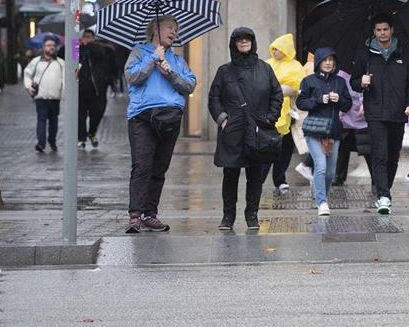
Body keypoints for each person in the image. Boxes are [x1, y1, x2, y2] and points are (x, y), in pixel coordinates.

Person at [124, 15, 197, 234]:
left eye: (176, 28)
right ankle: (135, 215)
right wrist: (152, 59)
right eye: (169, 27)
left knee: (159, 168)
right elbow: (132, 77)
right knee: (142, 166)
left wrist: (171, 74)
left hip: (170, 118)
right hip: (143, 117)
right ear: (155, 29)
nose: (174, 32)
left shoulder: (177, 60)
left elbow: (190, 85)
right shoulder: (139, 52)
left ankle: (150, 215)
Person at [208, 28, 283, 231]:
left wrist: (270, 117)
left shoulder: (265, 69)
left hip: (257, 130)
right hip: (232, 132)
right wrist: (223, 119)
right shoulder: (224, 71)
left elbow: (277, 94)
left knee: (255, 175)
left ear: (253, 42)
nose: (243, 42)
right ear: (233, 44)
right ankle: (228, 217)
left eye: (247, 38)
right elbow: (214, 98)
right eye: (239, 39)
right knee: (230, 175)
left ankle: (252, 215)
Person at [351, 14, 409, 215]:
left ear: (392, 30)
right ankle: (383, 196)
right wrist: (361, 82)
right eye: (378, 30)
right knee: (380, 155)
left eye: (385, 29)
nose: (382, 33)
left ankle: (385, 190)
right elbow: (354, 81)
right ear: (373, 31)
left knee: (393, 156)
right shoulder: (365, 54)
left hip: (399, 112)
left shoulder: (406, 54)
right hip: (374, 112)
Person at [296, 47, 351, 216]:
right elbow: (301, 103)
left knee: (330, 172)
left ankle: (323, 198)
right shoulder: (309, 81)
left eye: (331, 60)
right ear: (318, 62)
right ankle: (321, 203)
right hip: (314, 130)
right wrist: (318, 99)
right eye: (325, 60)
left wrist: (339, 99)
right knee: (320, 166)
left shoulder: (340, 82)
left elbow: (348, 105)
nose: (328, 63)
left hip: (333, 131)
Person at [264, 33, 306, 196]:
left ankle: (280, 179)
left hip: (289, 116)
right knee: (267, 148)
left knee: (285, 150)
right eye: (273, 48)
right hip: (269, 114)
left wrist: (275, 89)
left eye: (278, 48)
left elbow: (296, 87)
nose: (275, 51)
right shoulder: (267, 65)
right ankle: (259, 178)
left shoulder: (295, 66)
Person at [23, 36, 65, 153]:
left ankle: (52, 141)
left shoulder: (61, 63)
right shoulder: (36, 62)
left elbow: (65, 78)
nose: (51, 47)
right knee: (41, 119)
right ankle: (41, 143)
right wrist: (28, 87)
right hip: (40, 97)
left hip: (55, 97)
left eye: (53, 45)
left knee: (53, 121)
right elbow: (27, 74)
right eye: (48, 45)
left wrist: (64, 91)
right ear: (43, 47)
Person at [78, 30, 116, 150]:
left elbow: (106, 58)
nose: (86, 39)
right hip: (80, 88)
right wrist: (79, 46)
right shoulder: (77, 47)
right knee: (80, 115)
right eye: (85, 37)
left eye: (89, 37)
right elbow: (70, 59)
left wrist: (90, 45)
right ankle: (81, 138)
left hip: (98, 88)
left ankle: (92, 133)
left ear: (94, 38)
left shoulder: (102, 47)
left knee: (98, 112)